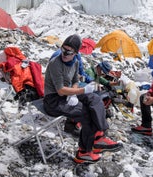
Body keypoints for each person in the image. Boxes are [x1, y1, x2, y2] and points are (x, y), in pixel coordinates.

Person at [43, 34, 122, 164]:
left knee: (95, 99)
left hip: (67, 95)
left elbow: (75, 80)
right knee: (86, 113)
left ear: (76, 53)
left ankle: (99, 136)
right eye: (63, 49)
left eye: (69, 52)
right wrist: (81, 91)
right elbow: (60, 90)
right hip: (53, 100)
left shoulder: (75, 62)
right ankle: (84, 152)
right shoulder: (55, 64)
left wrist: (73, 93)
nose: (64, 53)